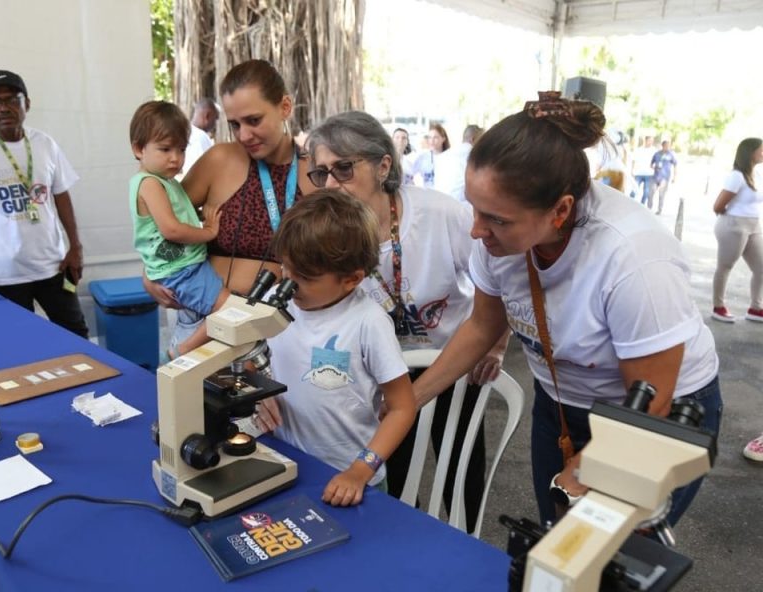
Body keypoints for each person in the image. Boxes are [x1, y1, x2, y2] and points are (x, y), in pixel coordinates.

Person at [412, 91, 721, 528]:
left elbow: (652, 401)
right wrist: (410, 400)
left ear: (560, 210)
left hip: (656, 413)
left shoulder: (633, 257)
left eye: (497, 219)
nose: (477, 230)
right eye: (474, 209)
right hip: (561, 405)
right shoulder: (495, 237)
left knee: (604, 548)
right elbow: (482, 326)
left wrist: (583, 472)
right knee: (555, 532)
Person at [302, 110, 510, 529]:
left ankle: (466, 545)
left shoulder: (439, 214)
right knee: (395, 474)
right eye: (321, 173)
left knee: (460, 471)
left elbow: (501, 278)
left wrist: (496, 343)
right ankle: (404, 543)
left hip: (453, 360)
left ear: (383, 165)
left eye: (344, 168)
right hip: (384, 372)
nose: (332, 184)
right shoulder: (331, 230)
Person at [142, 59, 316, 356]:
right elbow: (160, 222)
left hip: (279, 329)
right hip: (202, 322)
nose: (244, 135)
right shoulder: (219, 159)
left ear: (285, 107)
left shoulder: (315, 173)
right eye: (235, 124)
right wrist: (149, 274)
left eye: (254, 120)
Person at [258, 191, 416, 506]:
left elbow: (402, 408)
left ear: (351, 279)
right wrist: (259, 393)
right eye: (285, 268)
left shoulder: (368, 323)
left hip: (351, 476)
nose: (288, 283)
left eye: (303, 277)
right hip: (287, 462)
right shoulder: (275, 300)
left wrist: (361, 470)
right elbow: (251, 358)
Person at [0, 69, 88, 338]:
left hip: (54, 264)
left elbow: (61, 195)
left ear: (27, 103)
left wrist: (75, 247)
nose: (3, 107)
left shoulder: (45, 144)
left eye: (11, 99)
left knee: (75, 332)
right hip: (7, 271)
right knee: (19, 340)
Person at [128, 100, 229, 355]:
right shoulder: (150, 184)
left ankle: (185, 346)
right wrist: (208, 232)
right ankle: (184, 348)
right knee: (231, 310)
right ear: (139, 149)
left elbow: (179, 215)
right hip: (182, 272)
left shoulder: (166, 182)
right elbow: (171, 229)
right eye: (165, 149)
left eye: (181, 149)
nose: (175, 158)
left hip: (185, 268)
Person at [711, 137, 763, 323]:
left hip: (754, 225)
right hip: (734, 225)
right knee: (725, 266)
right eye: (761, 149)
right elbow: (718, 206)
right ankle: (718, 307)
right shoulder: (737, 176)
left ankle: (755, 308)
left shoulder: (757, 175)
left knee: (761, 267)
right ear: (750, 152)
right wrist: (733, 219)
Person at [181, 98, 219, 177]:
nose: (215, 124)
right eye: (215, 119)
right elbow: (205, 170)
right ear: (207, 116)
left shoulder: (187, 132)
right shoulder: (200, 137)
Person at [413, 122, 450, 188]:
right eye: (430, 137)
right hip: (428, 193)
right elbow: (409, 173)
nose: (432, 141)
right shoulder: (422, 157)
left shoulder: (450, 157)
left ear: (443, 139)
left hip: (444, 193)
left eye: (435, 137)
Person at [651, 140, 678, 215]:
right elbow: (651, 164)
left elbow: (675, 165)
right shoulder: (657, 154)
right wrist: (654, 167)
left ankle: (659, 210)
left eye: (668, 146)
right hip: (656, 176)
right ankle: (649, 208)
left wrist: (674, 177)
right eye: (666, 146)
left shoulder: (671, 155)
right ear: (662, 146)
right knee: (651, 193)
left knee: (661, 194)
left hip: (665, 178)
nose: (667, 147)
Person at [631, 135, 656, 208]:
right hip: (638, 173)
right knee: (634, 191)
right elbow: (633, 161)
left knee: (646, 193)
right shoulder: (638, 150)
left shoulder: (654, 150)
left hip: (649, 174)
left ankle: (641, 206)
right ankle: (630, 204)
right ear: (645, 140)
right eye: (649, 140)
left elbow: (657, 161)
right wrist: (632, 170)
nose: (651, 142)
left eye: (652, 141)